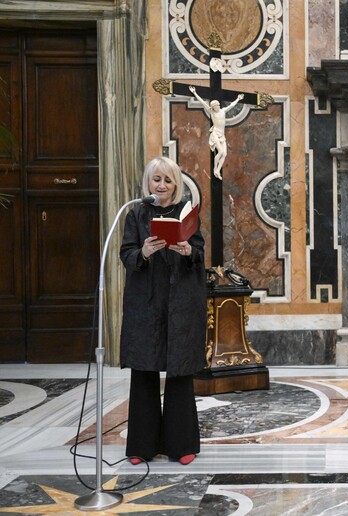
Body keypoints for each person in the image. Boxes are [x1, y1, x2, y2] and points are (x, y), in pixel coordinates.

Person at [119, 156, 207, 465]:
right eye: (157, 179)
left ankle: (181, 445)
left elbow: (199, 254)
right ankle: (142, 446)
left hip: (180, 302)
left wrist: (188, 251)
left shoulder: (185, 213)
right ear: (148, 182)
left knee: (179, 370)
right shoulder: (136, 213)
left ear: (176, 184)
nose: (162, 185)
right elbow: (126, 254)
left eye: (168, 180)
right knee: (144, 369)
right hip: (147, 302)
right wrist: (143, 251)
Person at [189, 86, 245, 180]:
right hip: (215, 134)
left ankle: (217, 170)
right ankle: (215, 169)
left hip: (222, 135)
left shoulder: (223, 111)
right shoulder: (212, 112)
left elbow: (231, 106)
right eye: (214, 107)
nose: (216, 108)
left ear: (219, 105)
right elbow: (202, 102)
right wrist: (195, 93)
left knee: (225, 154)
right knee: (221, 152)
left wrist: (238, 99)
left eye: (217, 106)